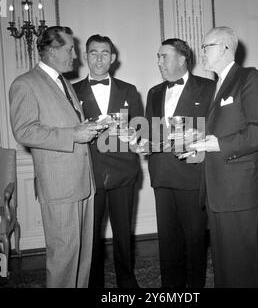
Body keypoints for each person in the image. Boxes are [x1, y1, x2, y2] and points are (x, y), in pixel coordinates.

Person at [9, 26, 101, 288]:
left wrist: (88, 130)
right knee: (63, 258)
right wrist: (73, 134)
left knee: (82, 257)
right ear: (51, 50)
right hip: (59, 186)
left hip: (82, 182)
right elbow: (24, 131)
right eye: (69, 49)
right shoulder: (25, 83)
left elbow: (65, 124)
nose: (75, 55)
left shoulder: (64, 83)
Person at [190, 26, 258, 287]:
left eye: (207, 47)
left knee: (239, 267)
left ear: (225, 48)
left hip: (237, 192)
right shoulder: (219, 84)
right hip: (218, 191)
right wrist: (199, 138)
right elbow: (224, 129)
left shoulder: (249, 78)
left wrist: (220, 145)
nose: (201, 52)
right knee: (224, 266)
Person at [73, 35, 143, 288]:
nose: (99, 58)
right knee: (91, 237)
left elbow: (140, 130)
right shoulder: (72, 91)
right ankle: (94, 283)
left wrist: (133, 133)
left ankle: (127, 282)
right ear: (85, 56)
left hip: (124, 172)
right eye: (93, 53)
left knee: (124, 233)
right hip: (89, 174)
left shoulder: (129, 90)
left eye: (105, 53)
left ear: (113, 58)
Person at [145, 38, 214, 288]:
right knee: (168, 241)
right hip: (162, 176)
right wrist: (140, 143)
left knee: (195, 240)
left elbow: (216, 131)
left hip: (192, 176)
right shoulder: (154, 92)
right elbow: (151, 134)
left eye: (164, 56)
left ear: (183, 59)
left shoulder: (209, 88)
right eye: (158, 56)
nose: (159, 62)